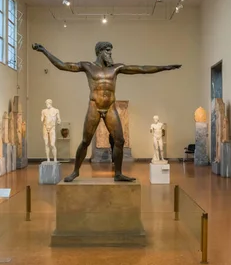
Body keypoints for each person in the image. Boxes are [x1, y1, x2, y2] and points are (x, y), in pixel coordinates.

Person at [32, 41, 181, 182]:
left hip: (110, 106)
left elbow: (141, 69)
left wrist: (164, 67)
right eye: (108, 51)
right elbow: (62, 65)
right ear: (100, 52)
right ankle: (76, 171)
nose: (110, 54)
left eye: (111, 51)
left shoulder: (115, 68)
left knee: (120, 140)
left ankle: (118, 173)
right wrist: (44, 50)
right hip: (94, 106)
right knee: (85, 141)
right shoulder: (88, 66)